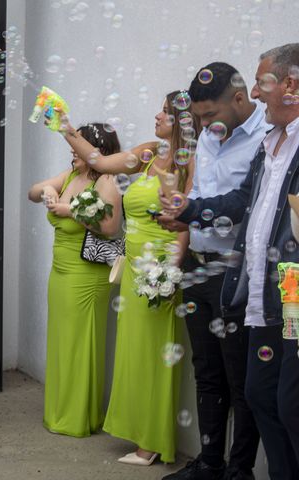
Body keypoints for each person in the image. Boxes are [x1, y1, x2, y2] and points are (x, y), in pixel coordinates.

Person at [160, 44, 299, 480]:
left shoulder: (269, 136)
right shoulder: (272, 144)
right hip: (252, 286)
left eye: (263, 84)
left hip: (284, 288)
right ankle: (219, 465)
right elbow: (244, 200)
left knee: (281, 398)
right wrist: (187, 211)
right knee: (252, 391)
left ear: (290, 85)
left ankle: (243, 470)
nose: (257, 94)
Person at [59, 91, 197, 465]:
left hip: (157, 268)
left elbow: (183, 223)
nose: (157, 115)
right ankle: (137, 432)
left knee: (154, 354)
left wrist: (171, 268)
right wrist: (66, 128)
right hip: (134, 263)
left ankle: (151, 442)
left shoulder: (190, 163)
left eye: (165, 112)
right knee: (133, 352)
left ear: (182, 121)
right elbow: (99, 161)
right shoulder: (150, 152)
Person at [28, 123, 122, 438]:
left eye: (78, 144)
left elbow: (110, 227)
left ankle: (78, 417)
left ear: (95, 150)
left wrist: (68, 210)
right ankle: (59, 411)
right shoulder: (70, 176)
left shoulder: (106, 181)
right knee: (61, 342)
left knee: (81, 344)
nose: (72, 150)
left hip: (86, 274)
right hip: (60, 270)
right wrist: (49, 190)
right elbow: (33, 192)